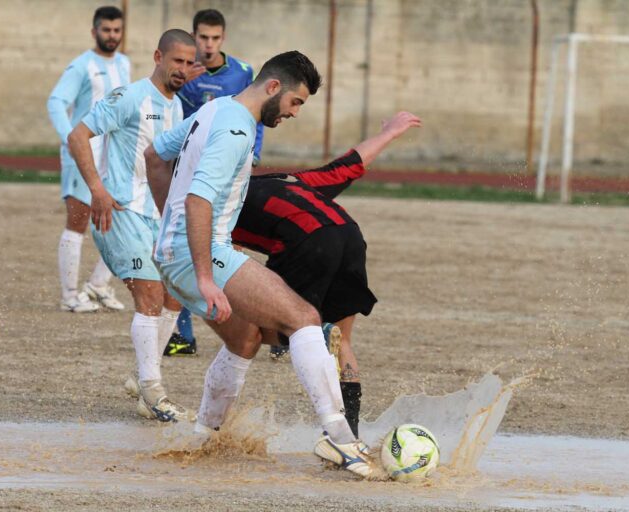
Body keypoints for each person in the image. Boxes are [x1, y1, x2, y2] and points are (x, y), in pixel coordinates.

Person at [145, 51, 375, 478]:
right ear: (273, 87)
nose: (294, 112)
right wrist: (203, 276)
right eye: (295, 102)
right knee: (304, 318)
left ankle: (205, 438)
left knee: (246, 340)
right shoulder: (235, 129)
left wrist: (169, 232)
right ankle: (340, 440)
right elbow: (198, 199)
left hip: (177, 252)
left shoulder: (216, 108)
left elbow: (155, 156)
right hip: (201, 254)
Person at [231, 111, 422, 437]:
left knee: (271, 330)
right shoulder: (289, 181)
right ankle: (350, 436)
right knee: (343, 342)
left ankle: (319, 331)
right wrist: (389, 133)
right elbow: (350, 164)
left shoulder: (218, 201)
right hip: (350, 236)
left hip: (307, 243)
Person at [67, 29, 198, 422]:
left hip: (157, 218)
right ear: (158, 56)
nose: (184, 69)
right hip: (120, 212)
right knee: (151, 296)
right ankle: (153, 393)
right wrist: (96, 189)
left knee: (177, 295)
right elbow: (78, 135)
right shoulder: (130, 97)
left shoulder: (179, 108)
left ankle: (143, 379)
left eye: (190, 63)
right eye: (177, 60)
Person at [166, 8, 265, 357]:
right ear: (194, 36)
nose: (208, 45)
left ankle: (268, 322)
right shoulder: (183, 71)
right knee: (179, 245)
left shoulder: (242, 73)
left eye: (214, 38)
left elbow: (259, 115)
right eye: (202, 38)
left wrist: (253, 152)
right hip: (189, 166)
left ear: (222, 38)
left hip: (228, 169)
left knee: (227, 242)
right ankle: (181, 334)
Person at [47, 6, 130, 313]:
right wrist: (70, 138)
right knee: (78, 222)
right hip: (81, 154)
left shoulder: (124, 63)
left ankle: (98, 285)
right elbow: (56, 102)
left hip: (113, 156)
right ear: (94, 32)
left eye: (117, 30)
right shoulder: (81, 66)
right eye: (106, 30)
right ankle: (70, 296)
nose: (112, 36)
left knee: (121, 219)